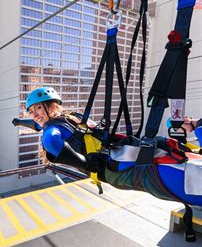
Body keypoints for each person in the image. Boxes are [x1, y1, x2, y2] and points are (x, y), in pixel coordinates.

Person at [15, 87, 202, 206]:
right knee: (163, 162)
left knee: (167, 170)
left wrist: (86, 165)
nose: (35, 114)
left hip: (112, 167)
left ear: (51, 105)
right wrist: (19, 121)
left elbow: (50, 141)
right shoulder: (70, 118)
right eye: (31, 111)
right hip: (116, 157)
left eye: (38, 108)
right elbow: (38, 124)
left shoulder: (53, 128)